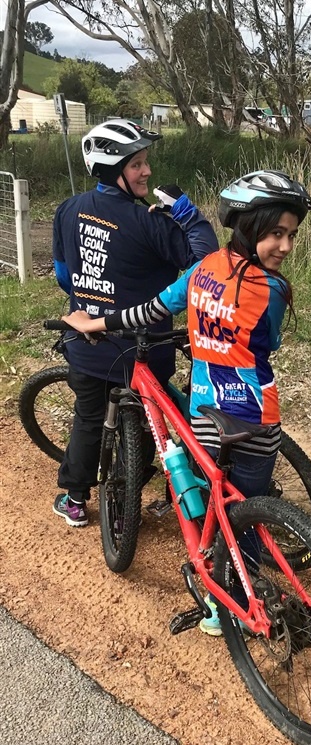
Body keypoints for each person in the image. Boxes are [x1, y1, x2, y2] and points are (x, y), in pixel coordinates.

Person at [62, 169, 311, 634]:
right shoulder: (275, 291)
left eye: (290, 235)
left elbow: (153, 309)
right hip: (259, 419)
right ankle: (249, 588)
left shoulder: (201, 272)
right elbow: (267, 342)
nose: (285, 246)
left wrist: (96, 324)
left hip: (205, 417)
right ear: (249, 226)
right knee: (249, 512)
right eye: (277, 233)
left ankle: (222, 605)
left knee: (207, 505)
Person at [52, 119, 219, 528]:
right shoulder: (151, 222)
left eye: (145, 162)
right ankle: (126, 505)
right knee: (146, 427)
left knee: (89, 419)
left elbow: (62, 274)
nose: (146, 172)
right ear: (114, 170)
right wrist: (189, 214)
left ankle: (75, 498)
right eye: (137, 164)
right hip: (145, 346)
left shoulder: (67, 210)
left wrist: (93, 293)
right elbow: (206, 265)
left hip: (87, 343)